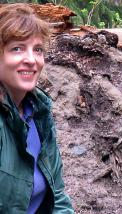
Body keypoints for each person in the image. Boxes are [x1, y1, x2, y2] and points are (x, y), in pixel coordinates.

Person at [0, 3, 74, 213]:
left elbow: (57, 195)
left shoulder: (39, 114)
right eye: (17, 48)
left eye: (38, 50)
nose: (31, 60)